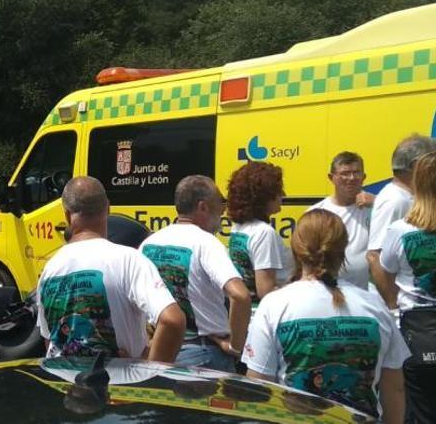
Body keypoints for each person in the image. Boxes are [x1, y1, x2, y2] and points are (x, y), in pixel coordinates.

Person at [243, 209, 408, 422]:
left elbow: (258, 387)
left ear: (295, 248)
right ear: (343, 248)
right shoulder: (374, 305)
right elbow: (394, 389)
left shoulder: (275, 305)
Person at [36, 176, 186, 362]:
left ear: (67, 215)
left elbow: (50, 342)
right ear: (108, 208)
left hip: (68, 386)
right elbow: (173, 320)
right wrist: (149, 367)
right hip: (119, 387)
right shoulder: (129, 260)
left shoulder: (49, 271)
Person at [139, 175, 252, 372]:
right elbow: (240, 295)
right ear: (202, 207)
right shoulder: (206, 243)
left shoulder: (148, 244)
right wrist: (235, 347)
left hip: (158, 353)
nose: (224, 209)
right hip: (204, 357)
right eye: (220, 202)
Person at [373, 151, 436, 423]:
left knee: (418, 411)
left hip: (416, 329)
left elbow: (385, 272)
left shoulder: (400, 230)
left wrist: (392, 303)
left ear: (417, 184)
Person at [368, 135, 436, 307]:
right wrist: (393, 304)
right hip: (413, 313)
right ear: (416, 166)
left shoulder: (407, 198)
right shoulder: (395, 201)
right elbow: (375, 255)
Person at [307, 152, 372, 289]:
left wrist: (378, 204)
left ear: (364, 177)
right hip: (326, 291)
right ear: (331, 178)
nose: (351, 178)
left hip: (364, 292)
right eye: (345, 173)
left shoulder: (377, 207)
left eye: (356, 172)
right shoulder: (316, 212)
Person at [226, 161, 286, 303]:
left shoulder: (239, 227)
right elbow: (266, 291)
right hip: (264, 312)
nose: (283, 194)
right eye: (277, 190)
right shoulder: (264, 233)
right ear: (263, 196)